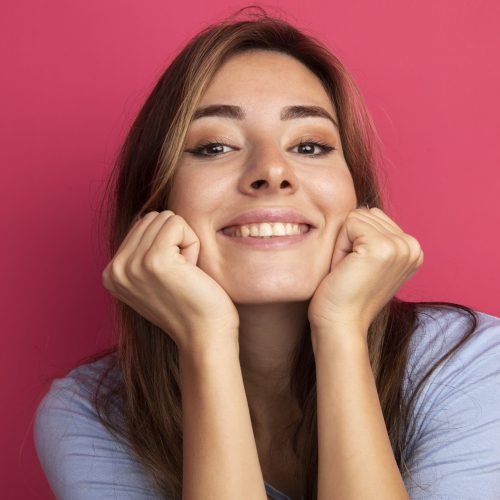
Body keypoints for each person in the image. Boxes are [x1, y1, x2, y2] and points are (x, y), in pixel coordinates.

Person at [33, 7, 500, 500]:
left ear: (356, 198)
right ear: (156, 201)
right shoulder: (90, 413)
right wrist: (205, 342)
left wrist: (341, 331)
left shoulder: (474, 366)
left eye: (310, 146)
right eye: (214, 146)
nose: (272, 171)